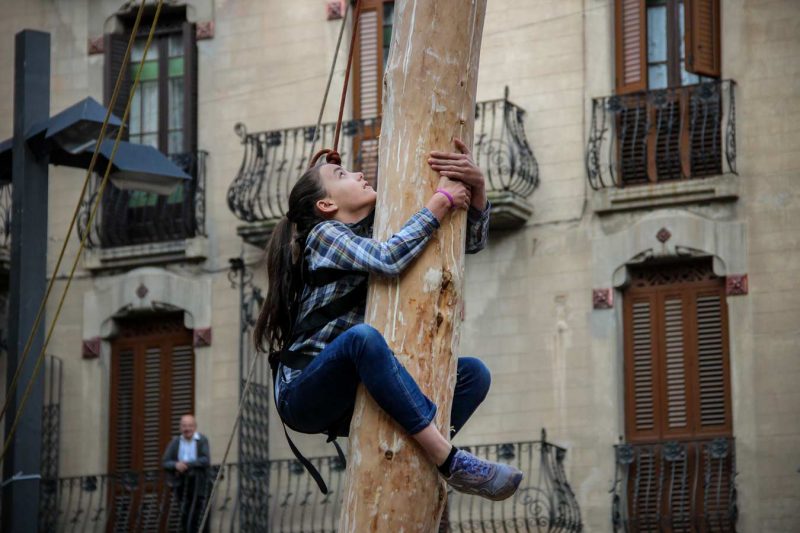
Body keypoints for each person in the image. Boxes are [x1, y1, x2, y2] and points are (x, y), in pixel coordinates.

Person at [254, 139, 523, 501]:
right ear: (326, 204)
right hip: (303, 393)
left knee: (473, 374)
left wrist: (476, 191)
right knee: (361, 339)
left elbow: (467, 244)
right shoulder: (323, 235)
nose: (358, 173)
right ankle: (449, 461)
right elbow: (388, 259)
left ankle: (417, 458)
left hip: (354, 391)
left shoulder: (377, 225)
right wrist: (440, 201)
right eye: (342, 174)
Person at [162, 414, 211, 532]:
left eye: (190, 426)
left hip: (199, 483)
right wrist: (176, 465)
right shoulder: (175, 442)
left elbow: (205, 460)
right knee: (185, 514)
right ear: (180, 428)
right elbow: (165, 462)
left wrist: (187, 464)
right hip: (182, 484)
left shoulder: (202, 440)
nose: (187, 429)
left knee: (199, 513)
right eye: (184, 426)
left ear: (195, 427)